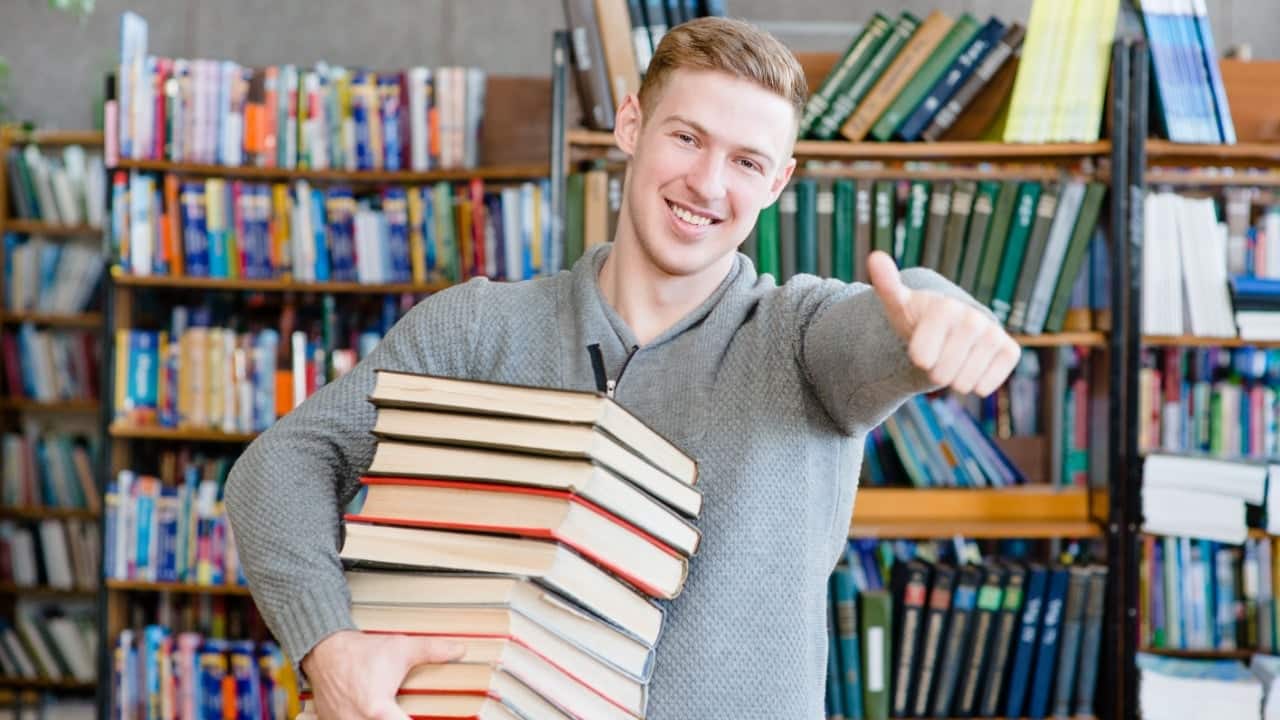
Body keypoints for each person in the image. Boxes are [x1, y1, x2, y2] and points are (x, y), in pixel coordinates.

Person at [225, 16, 1021, 720]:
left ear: (778, 184)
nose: (707, 184)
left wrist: (942, 310)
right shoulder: (477, 326)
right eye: (687, 137)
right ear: (632, 125)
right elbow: (283, 464)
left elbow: (887, 324)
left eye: (748, 162)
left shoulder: (798, 336)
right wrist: (327, 649)